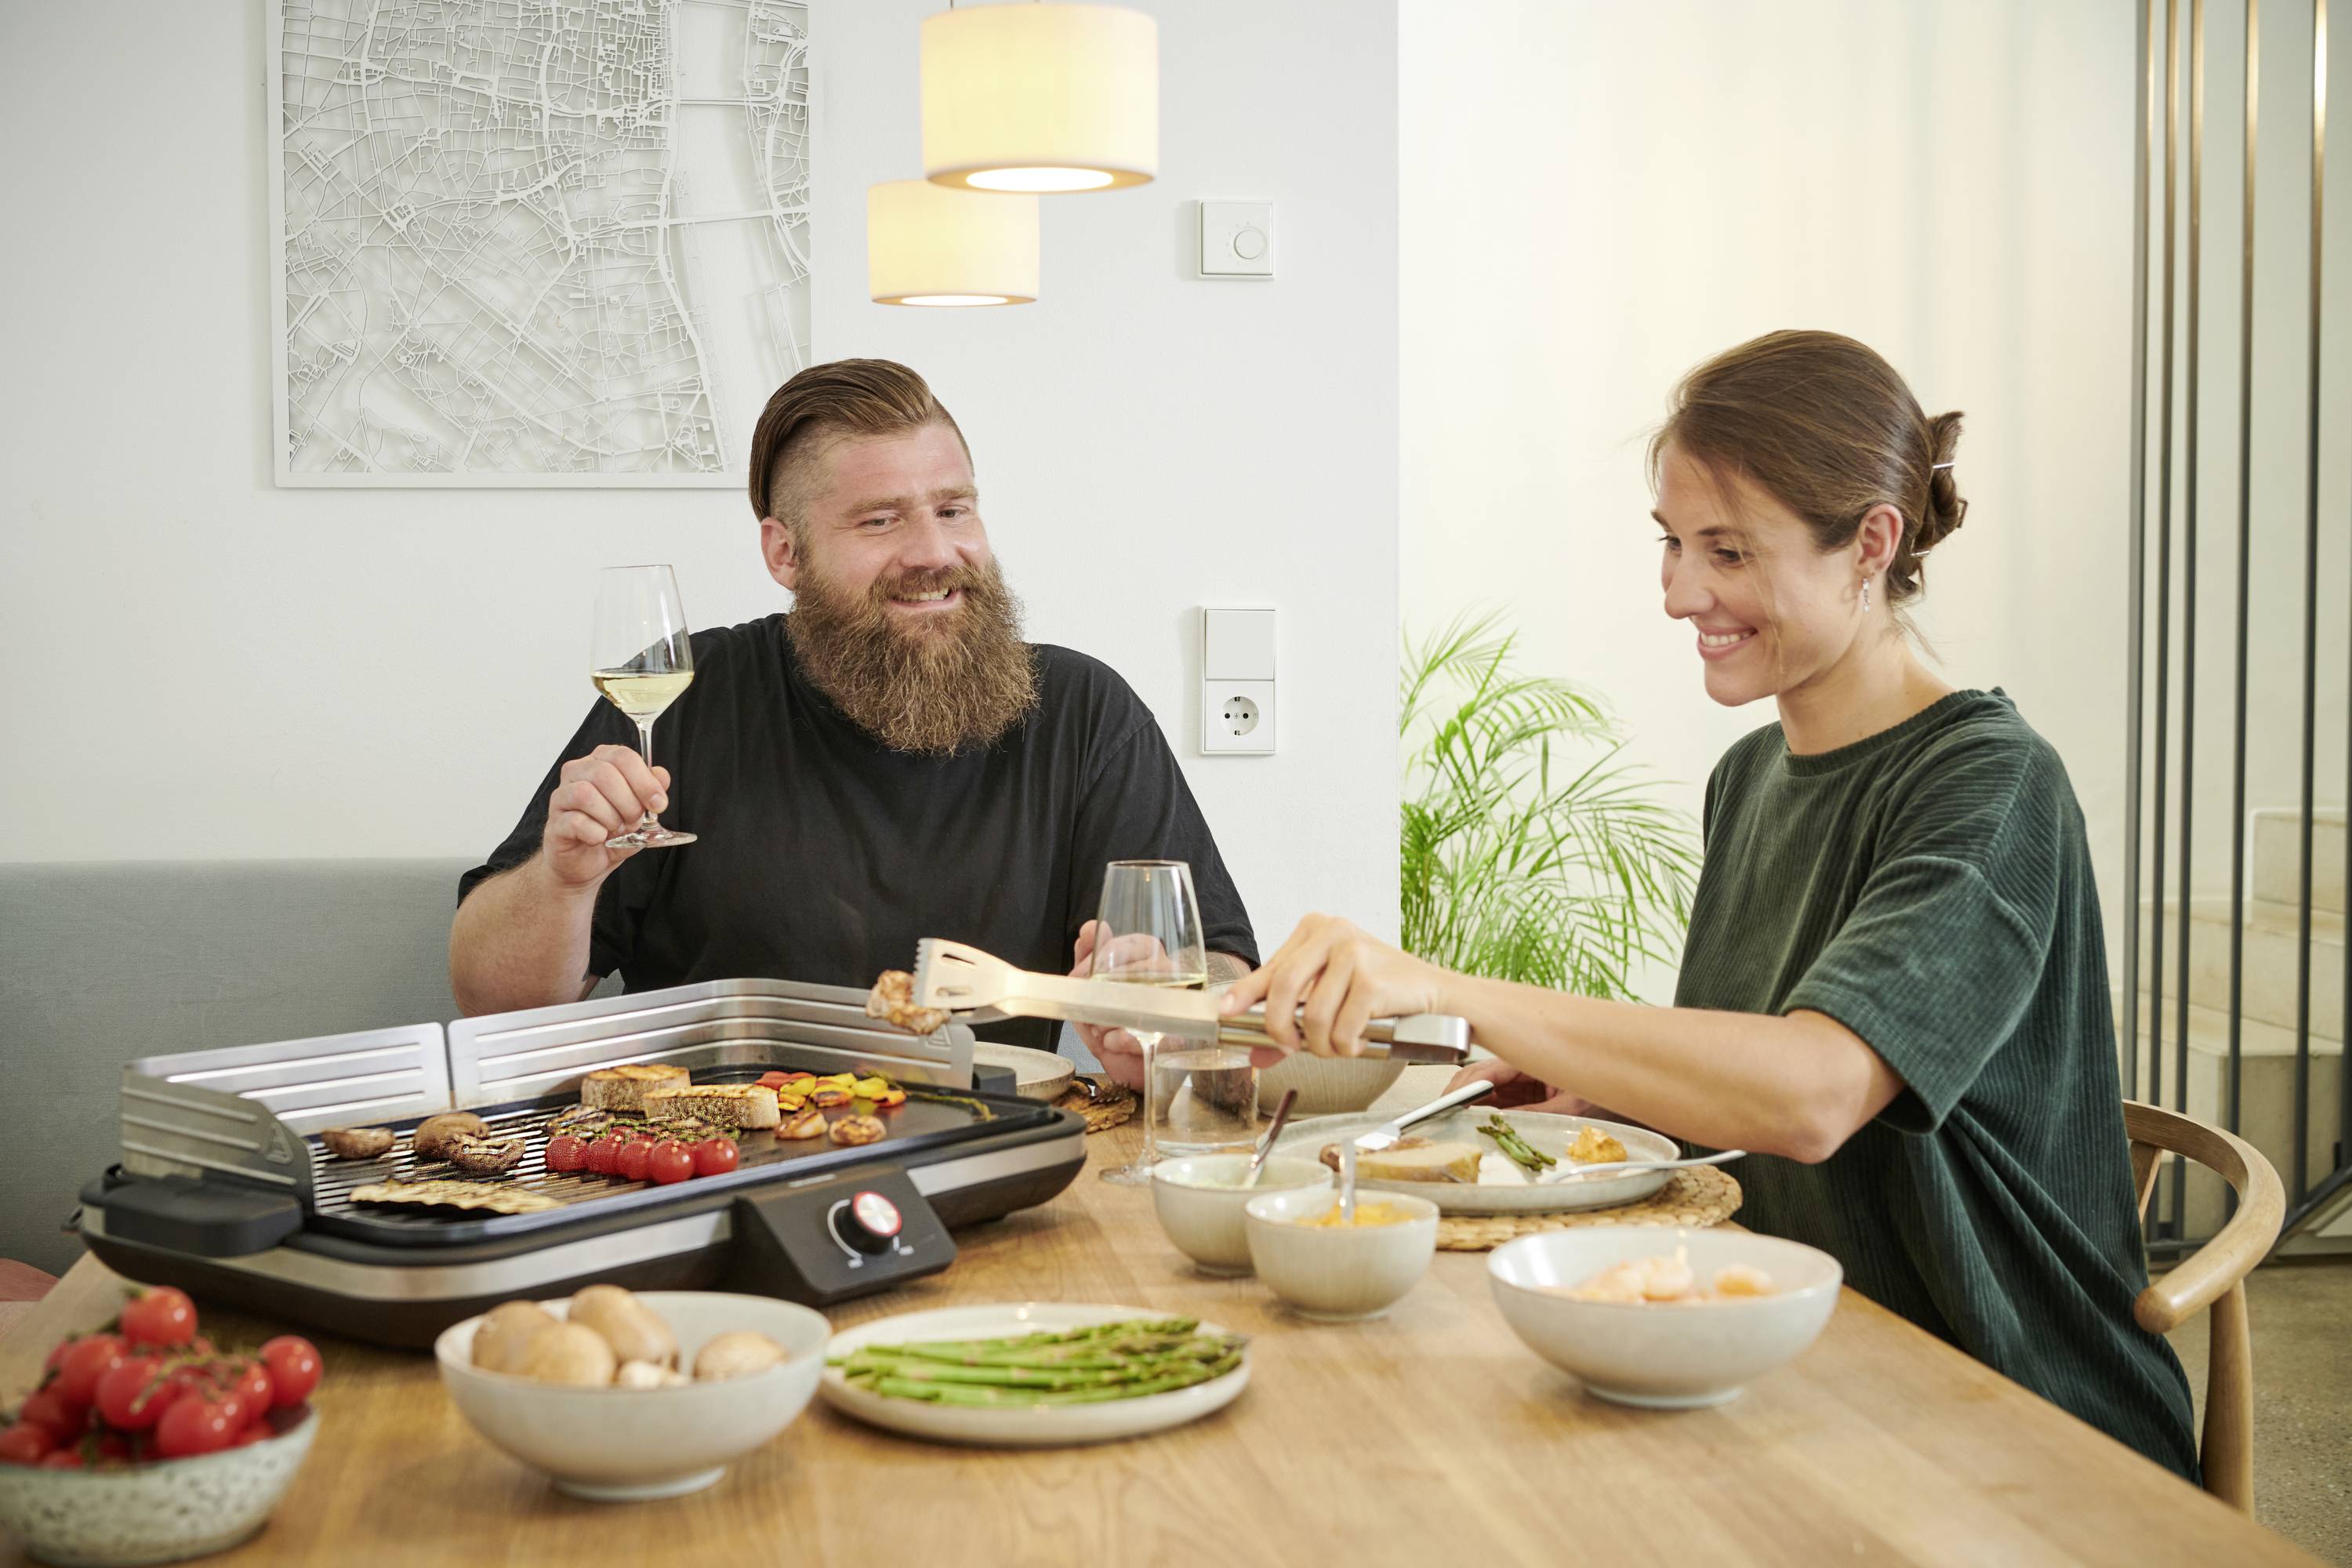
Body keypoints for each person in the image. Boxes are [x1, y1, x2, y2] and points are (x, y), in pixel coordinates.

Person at [1223, 330, 2199, 1479]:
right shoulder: (1753, 777)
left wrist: (1452, 990)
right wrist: (1583, 1090)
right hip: (1795, 1356)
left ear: (1869, 546)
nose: (1683, 592)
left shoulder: (1989, 785)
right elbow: (1744, 1098)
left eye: (1727, 551)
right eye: (1673, 545)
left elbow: (1815, 1094)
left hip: (2010, 1402)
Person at [449, 358, 1257, 1070]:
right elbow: (495, 1006)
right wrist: (562, 880)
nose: (934, 552)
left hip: (988, 1150)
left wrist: (1164, 1000)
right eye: (880, 519)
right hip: (720, 1163)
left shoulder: (1083, 711)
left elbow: (1221, 975)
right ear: (784, 553)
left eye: (953, 508)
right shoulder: (683, 695)